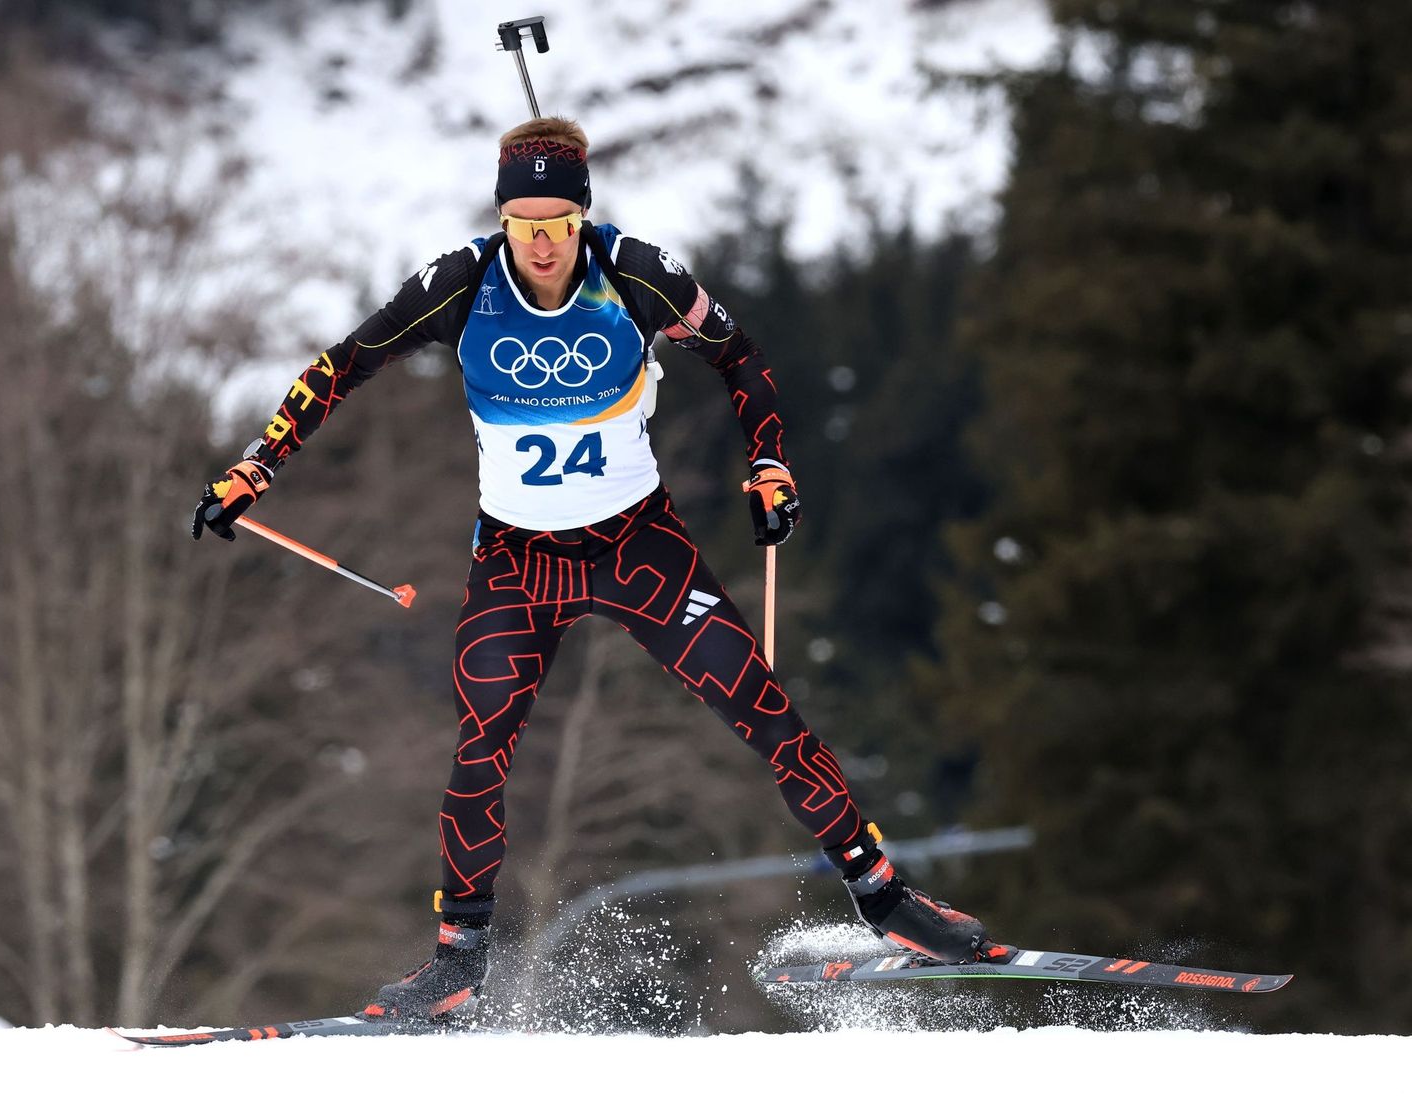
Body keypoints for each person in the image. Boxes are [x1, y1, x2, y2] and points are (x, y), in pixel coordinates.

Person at [191, 116, 1000, 1023]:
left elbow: (739, 357)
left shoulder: (637, 273)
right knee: (479, 744)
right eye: (520, 221)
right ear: (502, 218)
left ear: (583, 215)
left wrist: (768, 462)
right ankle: (457, 961)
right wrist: (260, 463)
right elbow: (344, 364)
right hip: (517, 559)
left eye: (556, 221)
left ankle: (886, 898)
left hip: (635, 546)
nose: (538, 241)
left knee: (759, 702)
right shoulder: (461, 282)